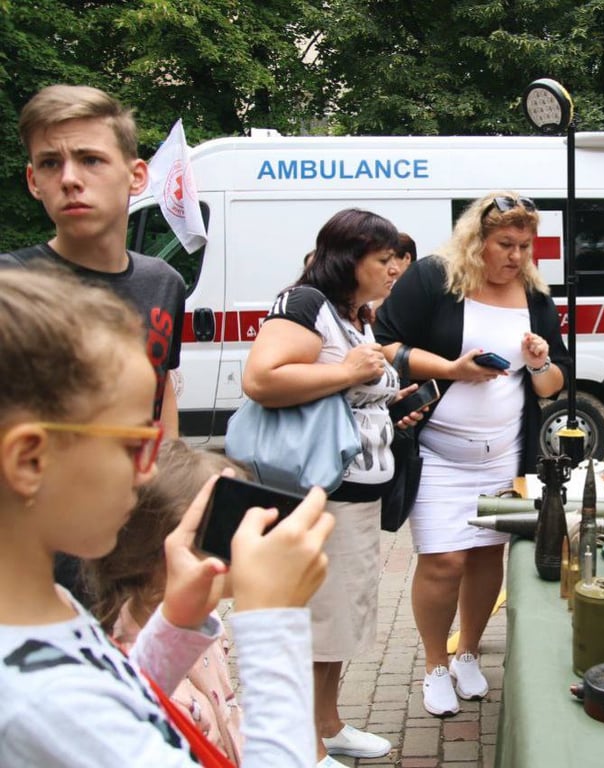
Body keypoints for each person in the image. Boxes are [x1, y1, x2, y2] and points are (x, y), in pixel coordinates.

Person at [0, 268, 332, 767]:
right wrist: (271, 621)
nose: (149, 468)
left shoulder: (39, 608)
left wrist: (175, 624)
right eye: (136, 443)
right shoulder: (41, 700)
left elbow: (123, 703)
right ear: (30, 460)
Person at [373, 191, 570, 718]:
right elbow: (385, 343)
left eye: (526, 246)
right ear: (475, 241)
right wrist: (452, 369)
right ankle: (434, 663)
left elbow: (553, 386)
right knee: (443, 561)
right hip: (437, 453)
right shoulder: (434, 279)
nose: (517, 256)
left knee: (486, 556)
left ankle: (467, 652)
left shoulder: (534, 296)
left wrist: (538, 361)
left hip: (505, 457)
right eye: (505, 244)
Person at [242, 208, 418, 766]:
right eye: (384, 260)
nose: (395, 270)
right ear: (349, 259)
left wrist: (390, 408)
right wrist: (348, 373)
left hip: (356, 491)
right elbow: (262, 378)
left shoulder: (355, 314)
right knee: (318, 621)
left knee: (342, 619)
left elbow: (345, 393)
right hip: (320, 494)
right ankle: (306, 747)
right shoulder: (304, 304)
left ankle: (328, 723)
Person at [3, 84, 189, 604]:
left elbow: (161, 384)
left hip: (134, 542)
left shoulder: (163, 282)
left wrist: (169, 488)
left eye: (89, 159)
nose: (69, 179)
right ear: (33, 182)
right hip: (36, 559)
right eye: (49, 163)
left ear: (136, 175)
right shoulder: (13, 287)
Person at [85, 441, 249, 764]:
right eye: (230, 531)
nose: (249, 545)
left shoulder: (199, 619)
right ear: (173, 554)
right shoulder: (165, 692)